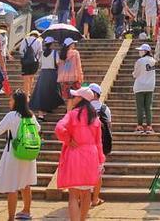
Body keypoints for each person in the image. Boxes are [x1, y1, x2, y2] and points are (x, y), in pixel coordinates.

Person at [55, 87, 105, 221]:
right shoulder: (94, 117)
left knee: (73, 195)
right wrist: (101, 161)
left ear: (81, 99)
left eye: (75, 96)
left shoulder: (72, 114)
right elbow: (99, 142)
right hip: (91, 155)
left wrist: (68, 139)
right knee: (86, 193)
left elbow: (59, 128)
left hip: (75, 155)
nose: (73, 98)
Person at [0, 90, 40, 221]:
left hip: (13, 150)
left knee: (12, 186)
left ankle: (11, 218)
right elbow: (38, 129)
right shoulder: (31, 116)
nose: (9, 102)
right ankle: (26, 211)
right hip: (28, 151)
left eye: (11, 100)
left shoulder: (11, 115)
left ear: (16, 102)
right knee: (26, 183)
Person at [87, 83, 111, 209]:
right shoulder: (105, 109)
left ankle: (83, 197)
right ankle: (95, 198)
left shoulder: (83, 108)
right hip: (100, 146)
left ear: (94, 94)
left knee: (84, 172)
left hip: (85, 145)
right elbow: (109, 126)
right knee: (98, 172)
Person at [29, 37, 64, 121]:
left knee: (42, 92)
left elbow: (40, 63)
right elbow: (58, 63)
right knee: (52, 91)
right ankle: (43, 112)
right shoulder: (55, 53)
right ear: (51, 44)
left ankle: (44, 111)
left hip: (43, 74)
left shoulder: (42, 53)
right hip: (52, 73)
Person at [133, 43, 156, 135]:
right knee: (148, 107)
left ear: (145, 51)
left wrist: (133, 74)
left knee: (140, 107)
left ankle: (139, 126)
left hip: (140, 86)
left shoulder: (140, 61)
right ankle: (149, 126)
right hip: (150, 86)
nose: (139, 52)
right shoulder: (153, 60)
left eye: (141, 50)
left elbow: (136, 74)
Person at [58, 37, 84, 109]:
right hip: (74, 78)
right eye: (73, 43)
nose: (74, 45)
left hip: (64, 79)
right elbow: (78, 66)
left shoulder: (62, 54)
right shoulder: (75, 53)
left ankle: (69, 112)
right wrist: (81, 76)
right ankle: (71, 109)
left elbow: (60, 67)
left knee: (69, 97)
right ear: (70, 45)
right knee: (79, 95)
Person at [19, 30, 42, 97]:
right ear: (37, 35)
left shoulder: (24, 40)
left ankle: (26, 93)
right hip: (34, 61)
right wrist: (37, 59)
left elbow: (21, 51)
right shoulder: (38, 41)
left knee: (26, 78)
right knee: (31, 77)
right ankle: (29, 91)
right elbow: (40, 52)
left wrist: (24, 58)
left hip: (25, 62)